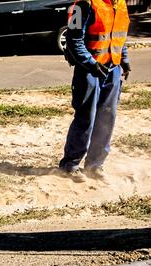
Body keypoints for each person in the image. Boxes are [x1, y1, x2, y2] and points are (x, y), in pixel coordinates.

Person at [60, 0, 131, 182]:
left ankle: (95, 165)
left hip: (112, 69)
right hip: (88, 70)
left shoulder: (120, 3)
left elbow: (119, 36)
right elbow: (73, 40)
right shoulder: (83, 4)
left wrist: (124, 59)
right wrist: (91, 64)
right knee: (86, 117)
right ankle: (70, 164)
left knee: (107, 116)